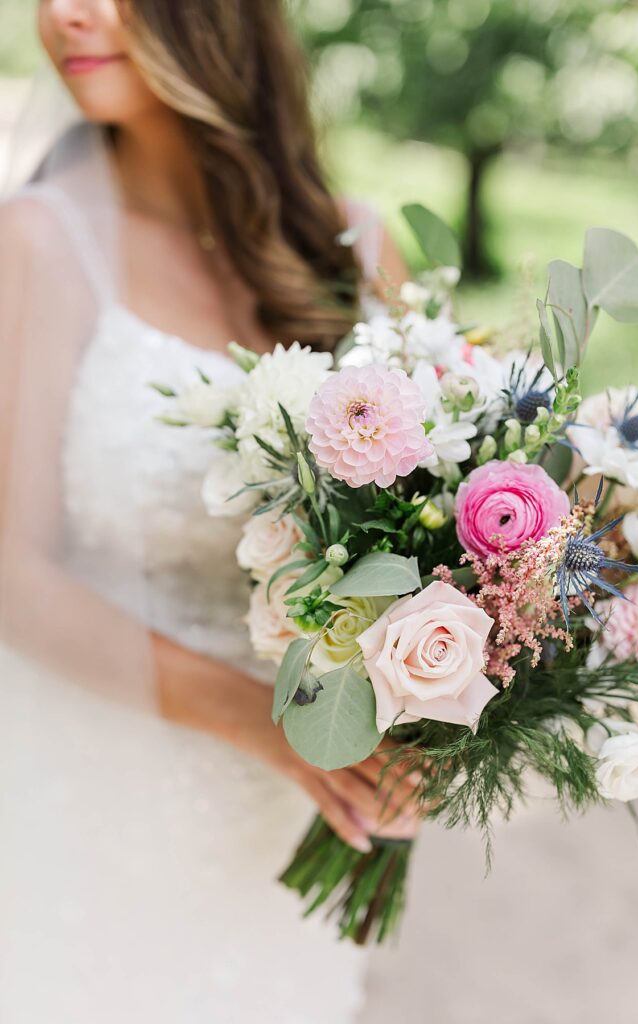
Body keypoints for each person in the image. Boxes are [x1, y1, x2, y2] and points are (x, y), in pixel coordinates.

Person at [0, 2, 421, 1020]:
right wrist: (267, 721)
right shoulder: (37, 244)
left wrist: (437, 715)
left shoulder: (363, 250)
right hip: (92, 802)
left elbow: (438, 544)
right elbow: (11, 576)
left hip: (285, 829)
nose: (66, 12)